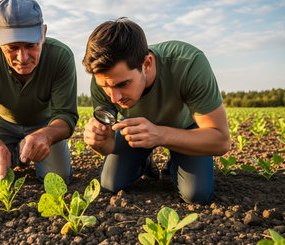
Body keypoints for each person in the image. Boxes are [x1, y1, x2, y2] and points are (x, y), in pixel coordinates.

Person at [82, 18, 230, 204]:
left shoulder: (189, 64)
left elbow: (221, 141)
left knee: (197, 195)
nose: (114, 98)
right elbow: (108, 146)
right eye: (105, 86)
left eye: (123, 84)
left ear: (147, 64)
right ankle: (143, 162)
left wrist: (160, 135)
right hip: (134, 133)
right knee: (111, 184)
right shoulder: (104, 76)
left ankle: (175, 161)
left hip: (188, 130)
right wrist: (97, 142)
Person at [0, 0, 78, 184]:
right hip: (0, 120)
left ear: (43, 34)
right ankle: (16, 153)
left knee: (59, 178)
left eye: (31, 45)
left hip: (44, 123)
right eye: (12, 48)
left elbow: (66, 116)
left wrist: (45, 135)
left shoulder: (60, 56)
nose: (23, 58)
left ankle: (19, 152)